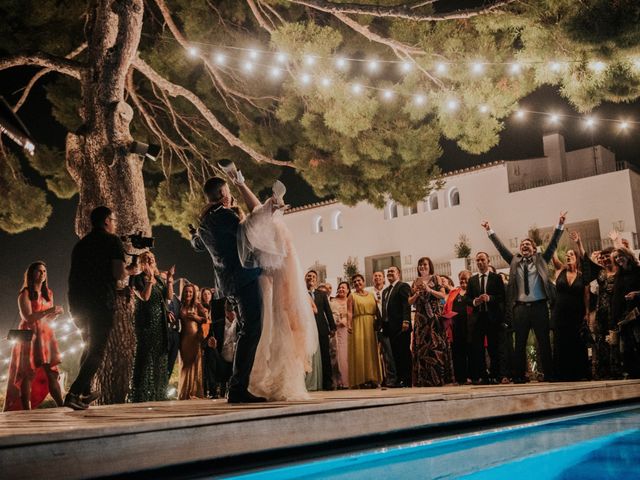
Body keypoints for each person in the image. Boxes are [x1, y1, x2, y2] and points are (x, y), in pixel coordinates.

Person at [233, 178, 318, 400]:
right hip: (270, 286)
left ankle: (278, 380)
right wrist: (241, 185)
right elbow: (256, 209)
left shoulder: (267, 228)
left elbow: (256, 209)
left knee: (275, 332)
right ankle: (261, 380)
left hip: (277, 288)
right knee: (267, 332)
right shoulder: (257, 229)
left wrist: (241, 185)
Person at [191, 175, 264, 403]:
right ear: (223, 194)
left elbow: (196, 245)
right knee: (251, 329)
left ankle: (238, 385)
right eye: (228, 192)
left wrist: (193, 234)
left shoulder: (205, 222)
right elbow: (250, 230)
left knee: (246, 328)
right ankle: (238, 387)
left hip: (227, 283)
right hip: (243, 277)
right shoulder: (225, 215)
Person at [65, 206, 137, 410]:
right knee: (97, 348)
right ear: (106, 221)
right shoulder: (111, 241)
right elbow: (118, 273)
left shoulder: (81, 244)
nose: (114, 224)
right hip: (100, 302)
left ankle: (85, 392)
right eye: (113, 220)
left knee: (88, 347)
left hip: (77, 302)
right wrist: (130, 270)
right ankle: (74, 393)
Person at [482, 212, 566, 383]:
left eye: (528, 244)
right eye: (522, 244)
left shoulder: (542, 260)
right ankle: (519, 376)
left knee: (543, 343)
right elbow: (501, 248)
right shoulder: (514, 261)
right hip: (520, 308)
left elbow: (553, 243)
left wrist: (559, 225)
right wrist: (490, 230)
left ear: (534, 249)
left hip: (540, 307)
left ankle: (549, 375)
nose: (525, 246)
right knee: (519, 344)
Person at [3, 262, 64, 411]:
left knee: (52, 372)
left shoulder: (48, 293)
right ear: (31, 274)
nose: (42, 274)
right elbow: (28, 317)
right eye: (39, 271)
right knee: (27, 373)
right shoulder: (24, 293)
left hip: (45, 335)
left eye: (44, 271)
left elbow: (47, 319)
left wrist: (54, 314)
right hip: (30, 336)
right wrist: (48, 310)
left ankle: (62, 406)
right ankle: (26, 410)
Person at [129, 252, 173, 402]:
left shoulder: (159, 279)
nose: (151, 261)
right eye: (147, 259)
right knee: (144, 356)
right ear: (142, 262)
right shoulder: (137, 278)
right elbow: (145, 297)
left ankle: (159, 394)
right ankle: (140, 395)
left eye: (152, 258)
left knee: (159, 358)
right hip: (145, 323)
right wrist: (149, 280)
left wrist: (169, 280)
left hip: (160, 323)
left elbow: (168, 297)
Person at [550, 232, 590, 381]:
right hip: (560, 312)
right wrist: (555, 235)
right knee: (561, 341)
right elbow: (553, 254)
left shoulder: (582, 275)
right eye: (566, 255)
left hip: (576, 312)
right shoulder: (560, 270)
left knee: (576, 341)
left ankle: (579, 373)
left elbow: (586, 295)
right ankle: (561, 374)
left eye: (571, 254)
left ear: (576, 258)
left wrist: (586, 312)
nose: (568, 256)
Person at [409, 257, 452, 387]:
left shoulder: (436, 278)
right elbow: (409, 301)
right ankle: (424, 379)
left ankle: (439, 378)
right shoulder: (415, 281)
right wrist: (416, 294)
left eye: (425, 264)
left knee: (436, 346)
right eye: (420, 265)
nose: (422, 267)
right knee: (422, 347)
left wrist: (429, 290)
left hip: (434, 317)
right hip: (421, 318)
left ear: (429, 266)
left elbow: (442, 295)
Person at [466, 252, 507, 384]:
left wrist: (489, 298)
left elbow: (502, 296)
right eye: (477, 260)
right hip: (478, 318)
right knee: (478, 348)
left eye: (482, 259)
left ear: (488, 261)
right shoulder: (472, 280)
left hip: (492, 317)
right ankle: (482, 376)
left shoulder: (496, 278)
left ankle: (495, 375)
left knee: (493, 348)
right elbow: (467, 298)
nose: (479, 262)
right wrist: (474, 302)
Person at [347, 274, 382, 388]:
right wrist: (349, 324)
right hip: (358, 324)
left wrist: (380, 324)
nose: (357, 283)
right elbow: (349, 312)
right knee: (360, 351)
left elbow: (377, 310)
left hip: (371, 325)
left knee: (371, 351)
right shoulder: (352, 296)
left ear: (363, 282)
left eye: (359, 280)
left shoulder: (371, 295)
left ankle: (373, 378)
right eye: (355, 282)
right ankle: (361, 379)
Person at [610, 247, 640, 378]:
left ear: (627, 256)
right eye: (616, 257)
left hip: (637, 313)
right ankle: (633, 373)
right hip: (624, 316)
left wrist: (637, 294)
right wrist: (614, 318)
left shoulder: (638, 271)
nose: (618, 259)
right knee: (625, 348)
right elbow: (616, 298)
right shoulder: (619, 276)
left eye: (620, 256)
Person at [306, 270, 337, 391]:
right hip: (307, 328)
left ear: (316, 279)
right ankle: (311, 380)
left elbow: (327, 311)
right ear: (305, 278)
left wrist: (332, 327)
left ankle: (327, 383)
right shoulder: (301, 293)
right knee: (310, 355)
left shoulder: (321, 294)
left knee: (325, 355)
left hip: (321, 328)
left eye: (313, 276)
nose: (311, 278)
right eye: (309, 276)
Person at [382, 266, 412, 387]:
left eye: (392, 271)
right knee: (395, 354)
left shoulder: (403, 286)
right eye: (388, 271)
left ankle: (407, 380)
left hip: (401, 326)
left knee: (403, 353)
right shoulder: (386, 291)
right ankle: (399, 379)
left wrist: (406, 320)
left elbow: (407, 304)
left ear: (398, 274)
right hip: (391, 327)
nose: (389, 273)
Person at [442, 270, 473, 385]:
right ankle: (460, 378)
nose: (463, 281)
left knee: (470, 352)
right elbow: (446, 307)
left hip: (469, 326)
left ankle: (471, 376)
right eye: (461, 279)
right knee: (457, 352)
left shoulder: (473, 291)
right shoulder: (454, 292)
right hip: (455, 326)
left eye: (466, 279)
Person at [369, 271, 398, 387]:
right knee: (374, 355)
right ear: (372, 279)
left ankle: (391, 379)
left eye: (379, 276)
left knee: (388, 354)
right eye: (375, 276)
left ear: (383, 278)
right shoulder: (369, 293)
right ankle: (375, 379)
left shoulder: (387, 291)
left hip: (387, 326)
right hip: (373, 326)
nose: (377, 278)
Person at [178, 284, 207, 399]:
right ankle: (184, 393)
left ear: (194, 293)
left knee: (195, 364)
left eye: (190, 292)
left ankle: (194, 392)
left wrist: (196, 318)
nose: (188, 294)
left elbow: (205, 319)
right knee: (185, 364)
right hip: (184, 338)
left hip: (195, 338)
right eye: (186, 292)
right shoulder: (180, 306)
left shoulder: (197, 305)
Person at [330, 281, 350, 389]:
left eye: (344, 288)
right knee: (336, 355)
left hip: (347, 330)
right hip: (336, 330)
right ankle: (337, 381)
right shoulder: (332, 301)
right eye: (340, 287)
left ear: (348, 290)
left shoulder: (351, 301)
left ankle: (347, 381)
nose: (341, 289)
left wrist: (346, 319)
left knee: (346, 355)